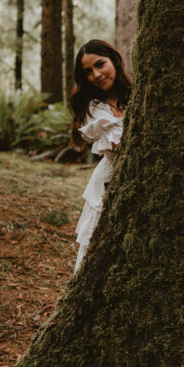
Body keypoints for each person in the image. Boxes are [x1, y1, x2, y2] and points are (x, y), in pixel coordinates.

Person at [70, 39, 132, 270]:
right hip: (109, 182)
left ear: (114, 61)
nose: (96, 74)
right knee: (98, 246)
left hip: (142, 180)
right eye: (88, 71)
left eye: (100, 64)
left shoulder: (139, 94)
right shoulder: (93, 108)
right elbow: (117, 147)